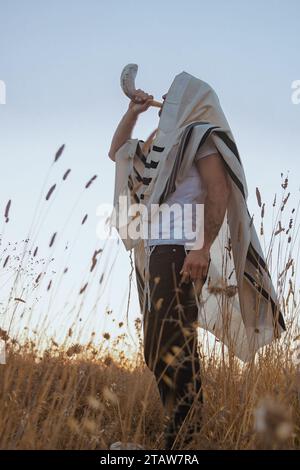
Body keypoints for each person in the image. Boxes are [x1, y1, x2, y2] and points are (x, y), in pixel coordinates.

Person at [108, 86, 231, 449]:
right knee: (155, 345)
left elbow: (218, 189)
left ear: (190, 100)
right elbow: (117, 152)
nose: (164, 101)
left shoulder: (200, 135)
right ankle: (181, 432)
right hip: (154, 251)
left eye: (170, 95)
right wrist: (134, 112)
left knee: (175, 341)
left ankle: (184, 439)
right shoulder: (158, 143)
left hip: (182, 250)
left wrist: (203, 248)